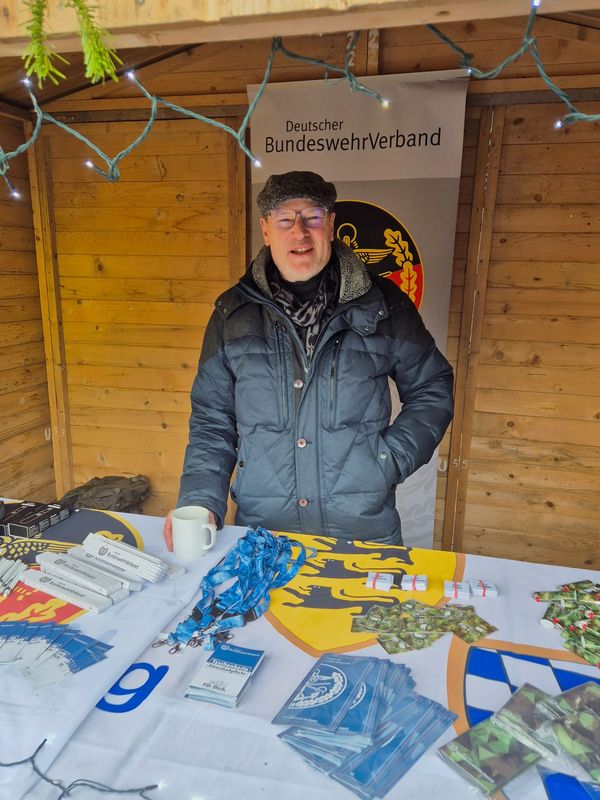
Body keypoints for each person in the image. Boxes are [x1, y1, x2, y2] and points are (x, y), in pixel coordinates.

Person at [164, 170, 453, 549]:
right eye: (285, 219)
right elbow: (211, 420)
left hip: (361, 534)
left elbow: (433, 387)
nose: (299, 233)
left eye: (312, 217)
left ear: (330, 225)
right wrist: (201, 499)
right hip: (264, 536)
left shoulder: (383, 304)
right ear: (266, 230)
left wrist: (388, 460)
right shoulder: (232, 315)